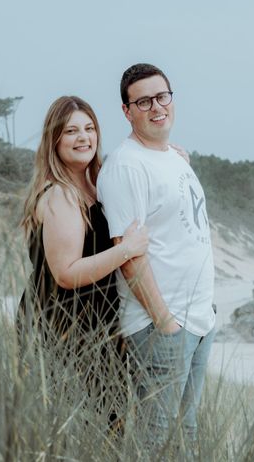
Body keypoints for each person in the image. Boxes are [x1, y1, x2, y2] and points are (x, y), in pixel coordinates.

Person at [97, 63, 216, 448]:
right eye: (143, 101)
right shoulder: (126, 166)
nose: (156, 107)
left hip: (198, 320)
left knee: (188, 436)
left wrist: (203, 316)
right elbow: (128, 254)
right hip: (160, 327)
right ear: (127, 111)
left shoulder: (172, 157)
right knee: (154, 441)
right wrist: (165, 322)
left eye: (161, 96)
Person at [17, 95, 148, 422]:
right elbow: (65, 273)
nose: (84, 137)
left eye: (89, 128)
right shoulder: (60, 194)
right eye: (72, 131)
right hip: (64, 328)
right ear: (54, 139)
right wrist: (127, 250)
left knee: (110, 427)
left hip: (97, 325)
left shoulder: (96, 184)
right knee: (82, 431)